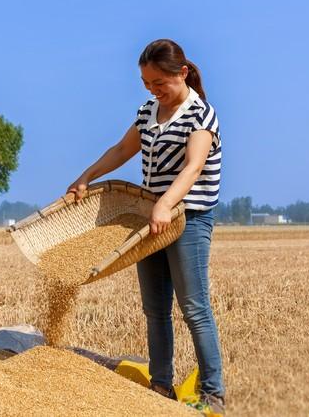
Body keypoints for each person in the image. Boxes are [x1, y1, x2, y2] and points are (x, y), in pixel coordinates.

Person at [67, 38, 225, 415]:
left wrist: (167, 205)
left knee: (194, 306)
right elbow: (123, 150)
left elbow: (193, 167)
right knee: (155, 308)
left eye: (160, 83)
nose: (154, 90)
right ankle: (160, 385)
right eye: (146, 83)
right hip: (150, 218)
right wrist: (86, 176)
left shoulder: (200, 115)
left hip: (188, 217)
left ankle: (213, 393)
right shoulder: (148, 111)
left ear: (182, 73)